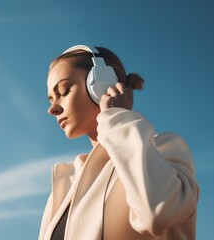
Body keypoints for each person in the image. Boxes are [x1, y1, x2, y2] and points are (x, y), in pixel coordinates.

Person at [39, 45, 199, 240]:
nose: (52, 109)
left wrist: (117, 117)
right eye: (50, 99)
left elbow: (157, 212)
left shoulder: (165, 149)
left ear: (101, 85)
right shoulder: (67, 181)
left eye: (64, 91)